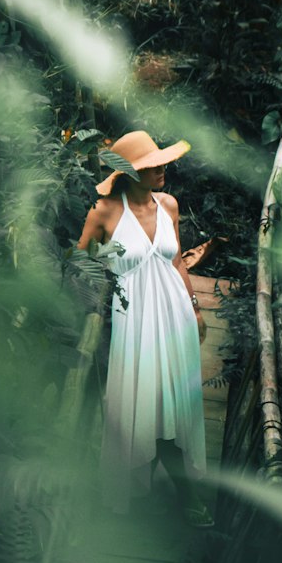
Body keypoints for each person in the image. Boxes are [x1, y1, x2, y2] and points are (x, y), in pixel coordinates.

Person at [77, 130, 213, 527]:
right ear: (131, 173)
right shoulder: (104, 212)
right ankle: (168, 493)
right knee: (144, 404)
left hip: (176, 318)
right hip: (136, 323)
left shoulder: (168, 204)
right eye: (154, 166)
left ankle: (165, 490)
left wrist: (196, 309)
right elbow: (78, 261)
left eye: (162, 162)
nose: (164, 169)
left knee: (175, 404)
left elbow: (177, 263)